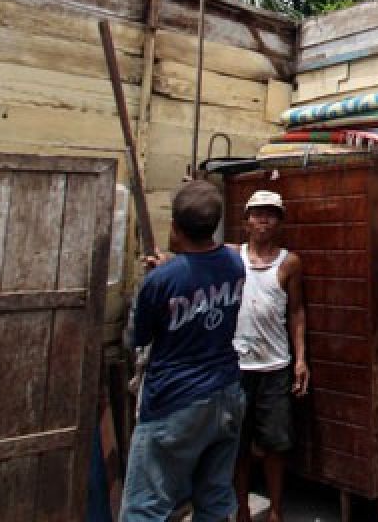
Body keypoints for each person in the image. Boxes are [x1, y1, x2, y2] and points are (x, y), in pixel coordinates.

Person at [120, 180, 247, 522]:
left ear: (174, 228)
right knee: (216, 499)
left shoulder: (160, 282)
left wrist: (148, 286)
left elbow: (136, 338)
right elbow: (204, 269)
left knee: (145, 507)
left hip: (176, 402)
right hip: (227, 395)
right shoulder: (235, 264)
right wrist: (169, 269)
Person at [233, 189, 309, 522]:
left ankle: (276, 511)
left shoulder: (289, 262)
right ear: (246, 220)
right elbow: (193, 255)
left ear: (279, 222)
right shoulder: (231, 257)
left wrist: (301, 360)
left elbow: (296, 311)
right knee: (238, 446)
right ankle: (243, 510)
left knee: (275, 445)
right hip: (236, 367)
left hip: (275, 366)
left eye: (271, 214)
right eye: (257, 213)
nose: (263, 219)